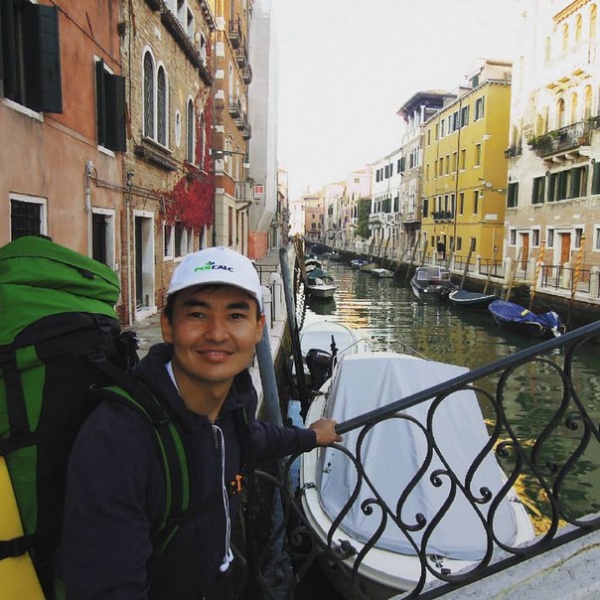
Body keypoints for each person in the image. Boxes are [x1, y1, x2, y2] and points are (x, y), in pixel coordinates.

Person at [60, 246, 341, 599]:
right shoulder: (116, 443)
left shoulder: (234, 403)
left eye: (235, 315)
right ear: (168, 326)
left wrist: (310, 436)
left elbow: (253, 437)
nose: (217, 333)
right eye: (197, 314)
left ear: (258, 328)